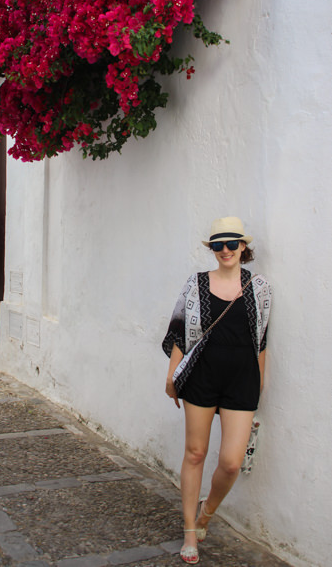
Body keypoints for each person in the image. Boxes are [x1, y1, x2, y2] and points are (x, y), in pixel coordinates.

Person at [162, 217, 272, 565]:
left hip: (242, 380)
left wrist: (260, 383)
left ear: (243, 247)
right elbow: (180, 332)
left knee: (230, 463)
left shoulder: (261, 288)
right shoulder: (195, 285)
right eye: (218, 245)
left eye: (231, 244)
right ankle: (190, 530)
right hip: (201, 377)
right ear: (213, 250)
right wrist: (171, 377)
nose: (225, 250)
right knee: (195, 453)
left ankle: (207, 512)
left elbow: (262, 340)